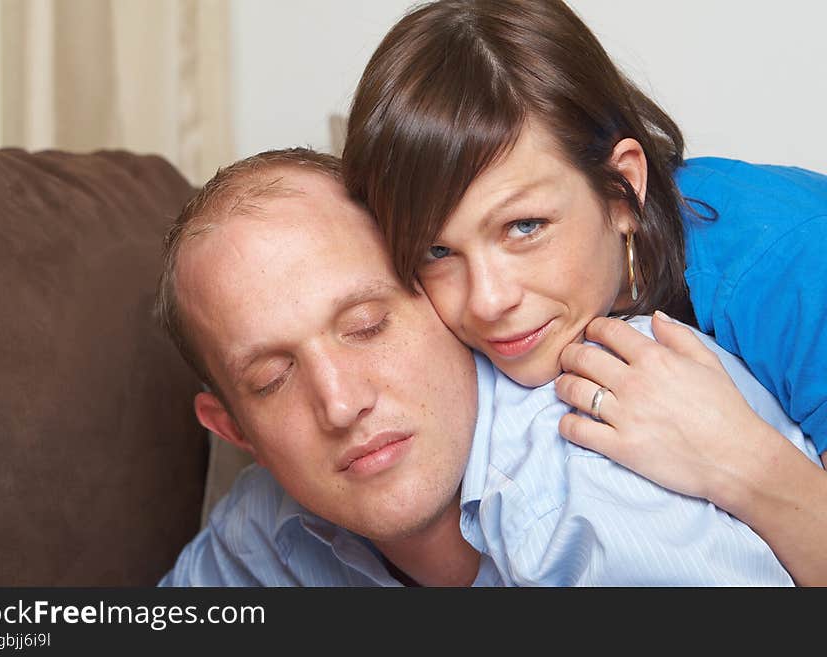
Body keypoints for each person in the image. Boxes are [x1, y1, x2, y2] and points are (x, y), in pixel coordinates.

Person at [156, 148, 815, 587]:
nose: (339, 402)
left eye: (367, 326)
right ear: (237, 430)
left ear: (444, 302)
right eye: (272, 380)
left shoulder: (597, 475)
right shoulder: (267, 528)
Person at [341, 0, 827, 584]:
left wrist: (740, 461)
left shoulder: (793, 266)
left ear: (623, 189)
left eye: (524, 227)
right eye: (437, 251)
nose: (488, 300)